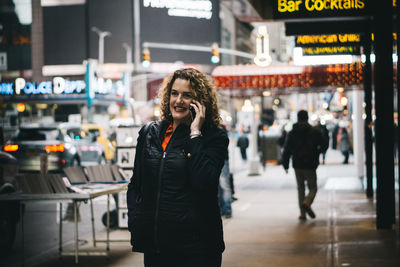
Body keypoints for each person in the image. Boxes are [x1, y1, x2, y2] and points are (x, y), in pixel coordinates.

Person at [127, 68, 229, 267]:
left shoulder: (213, 137)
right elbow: (136, 184)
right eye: (174, 93)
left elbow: (205, 182)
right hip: (156, 245)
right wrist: (136, 220)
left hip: (197, 248)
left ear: (200, 101)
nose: (178, 100)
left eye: (187, 95)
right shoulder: (150, 133)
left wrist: (195, 134)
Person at [282, 110, 328, 221]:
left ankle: (302, 214)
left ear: (297, 119)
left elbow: (286, 149)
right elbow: (324, 144)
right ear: (307, 118)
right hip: (310, 163)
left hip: (297, 164)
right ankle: (307, 202)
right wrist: (318, 152)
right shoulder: (314, 131)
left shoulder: (292, 133)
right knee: (313, 187)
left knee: (300, 188)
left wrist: (286, 164)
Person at [218, 124, 232, 218]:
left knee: (224, 185)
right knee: (220, 186)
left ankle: (227, 209)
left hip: (222, 160)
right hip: (221, 160)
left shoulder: (220, 129)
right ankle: (223, 209)